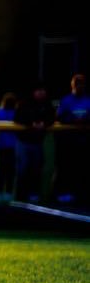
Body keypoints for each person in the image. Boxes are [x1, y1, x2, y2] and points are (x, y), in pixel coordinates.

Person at [13, 84, 56, 202]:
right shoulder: (24, 102)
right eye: (39, 90)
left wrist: (44, 123)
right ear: (34, 92)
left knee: (36, 169)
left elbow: (52, 118)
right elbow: (17, 118)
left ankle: (33, 193)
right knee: (23, 169)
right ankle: (20, 195)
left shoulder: (47, 104)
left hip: (37, 142)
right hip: (23, 141)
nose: (41, 93)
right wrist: (31, 123)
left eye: (43, 90)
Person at [54, 74, 89, 203]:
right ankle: (62, 193)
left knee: (82, 169)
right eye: (77, 84)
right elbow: (59, 116)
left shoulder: (88, 100)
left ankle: (80, 194)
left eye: (82, 84)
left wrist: (85, 119)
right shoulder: (66, 100)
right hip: (68, 141)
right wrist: (73, 119)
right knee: (66, 168)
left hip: (84, 141)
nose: (80, 86)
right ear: (73, 86)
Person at [0, 92, 18, 201]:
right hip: (9, 146)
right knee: (8, 170)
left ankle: (2, 192)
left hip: (6, 146)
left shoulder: (1, 111)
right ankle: (6, 192)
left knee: (4, 169)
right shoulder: (3, 112)